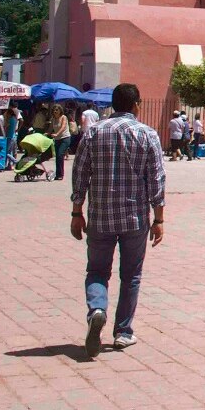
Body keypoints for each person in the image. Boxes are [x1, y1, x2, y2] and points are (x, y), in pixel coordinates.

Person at [69, 84, 165, 357]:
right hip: (135, 217)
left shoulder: (93, 132)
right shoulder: (147, 134)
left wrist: (77, 212)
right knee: (131, 275)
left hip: (100, 216)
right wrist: (159, 219)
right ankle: (123, 332)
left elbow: (80, 174)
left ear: (113, 104)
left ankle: (97, 310)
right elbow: (156, 179)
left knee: (97, 271)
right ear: (136, 104)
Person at [50, 104, 72, 181]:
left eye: (57, 110)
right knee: (57, 157)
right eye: (54, 110)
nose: (55, 111)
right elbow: (50, 128)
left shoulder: (64, 117)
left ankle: (61, 174)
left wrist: (57, 133)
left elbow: (63, 127)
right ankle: (58, 174)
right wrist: (46, 133)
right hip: (57, 139)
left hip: (65, 138)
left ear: (60, 111)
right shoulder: (53, 119)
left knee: (60, 154)